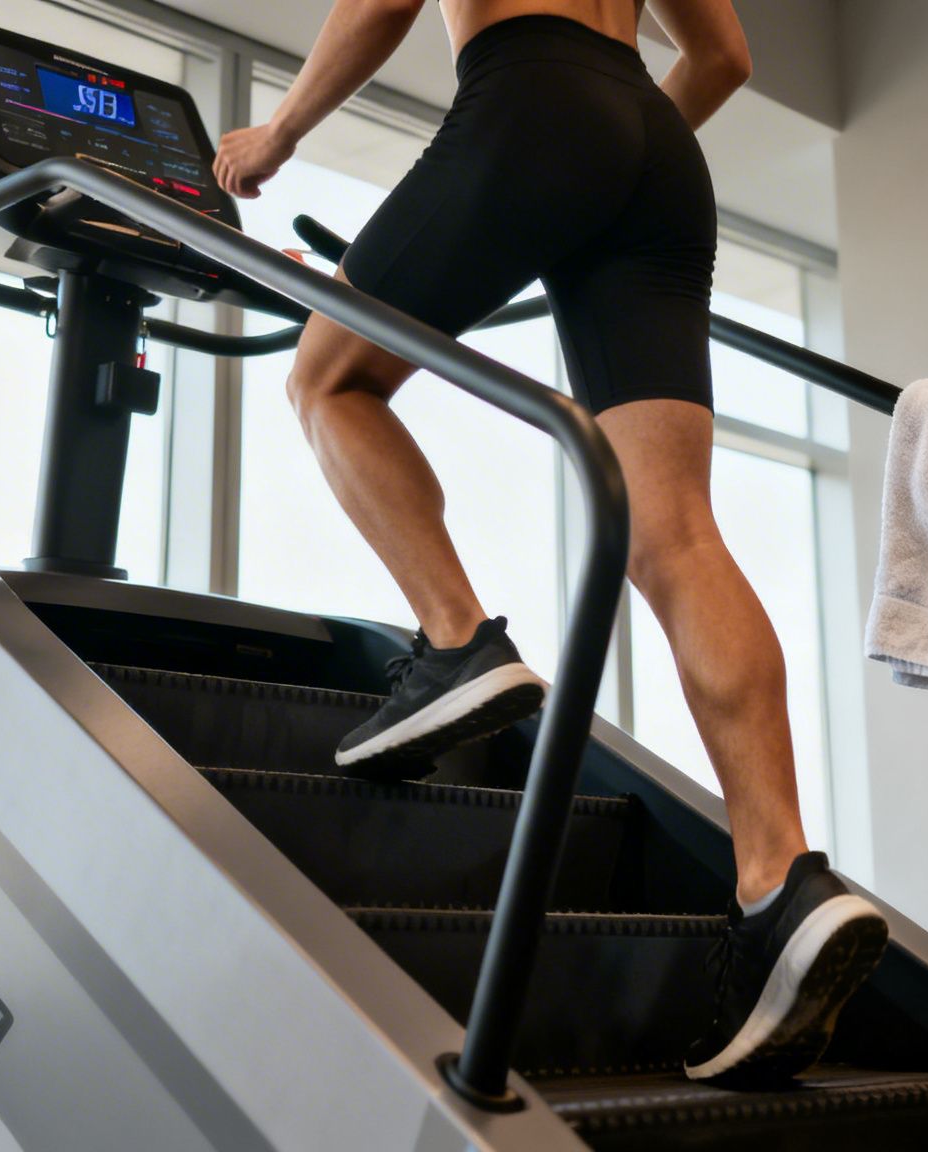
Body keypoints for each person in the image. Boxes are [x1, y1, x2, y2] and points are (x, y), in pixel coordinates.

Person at [214, 0, 885, 1088]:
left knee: (326, 377)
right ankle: (779, 877)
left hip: (530, 97)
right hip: (656, 147)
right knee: (673, 531)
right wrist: (606, 156)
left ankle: (454, 640)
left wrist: (278, 131)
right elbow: (724, 56)